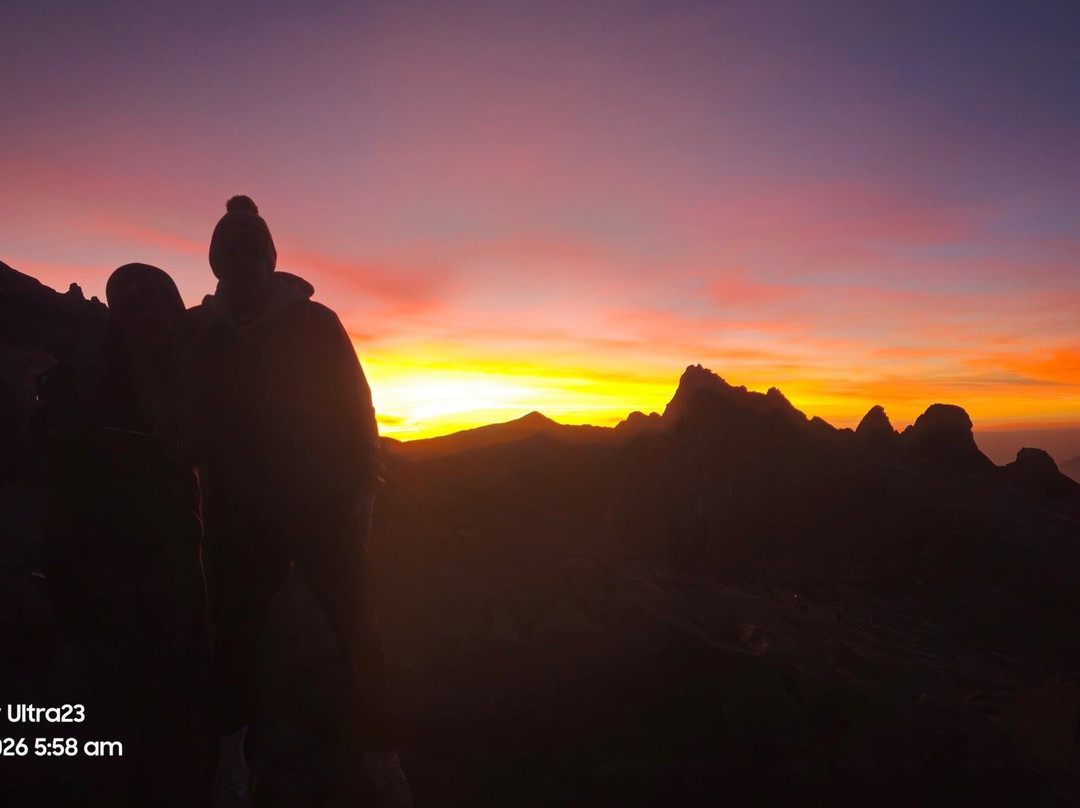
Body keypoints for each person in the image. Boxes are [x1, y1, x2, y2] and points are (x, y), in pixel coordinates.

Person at [188, 195, 410, 806]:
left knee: (354, 623)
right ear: (216, 264)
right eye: (231, 253)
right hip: (241, 510)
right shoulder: (202, 331)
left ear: (269, 260)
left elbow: (355, 401)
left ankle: (380, 753)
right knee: (235, 631)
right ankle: (233, 758)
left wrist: (367, 480)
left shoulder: (316, 322)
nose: (243, 263)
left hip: (322, 500)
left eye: (253, 252)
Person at [41, 263, 214, 807]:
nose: (140, 314)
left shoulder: (197, 368)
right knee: (125, 690)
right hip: (116, 561)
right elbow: (61, 477)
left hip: (171, 557)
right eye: (128, 304)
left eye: (150, 302)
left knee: (168, 686)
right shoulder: (86, 377)